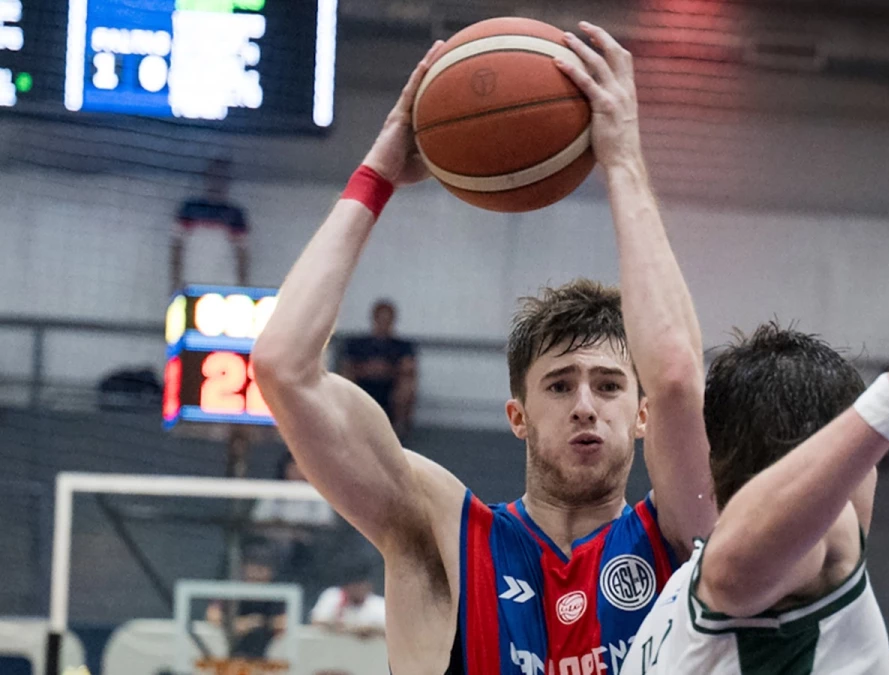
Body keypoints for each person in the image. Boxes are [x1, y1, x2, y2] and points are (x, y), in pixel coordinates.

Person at [252, 22, 717, 675]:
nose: (586, 404)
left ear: (643, 414)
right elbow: (282, 367)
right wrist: (378, 170)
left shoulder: (684, 539)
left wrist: (623, 159)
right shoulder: (442, 535)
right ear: (517, 414)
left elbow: (674, 371)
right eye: (559, 384)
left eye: (609, 384)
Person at [623, 264, 889, 674]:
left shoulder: (675, 598)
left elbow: (674, 375)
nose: (869, 468)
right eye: (861, 455)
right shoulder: (777, 565)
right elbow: (674, 377)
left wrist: (630, 195)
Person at [250, 453, 337, 582]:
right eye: (293, 467)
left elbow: (324, 523)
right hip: (275, 544)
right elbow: (258, 521)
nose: (297, 471)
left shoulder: (317, 492)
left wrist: (299, 531)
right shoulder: (273, 491)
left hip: (308, 546)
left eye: (300, 466)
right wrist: (283, 528)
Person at [340, 299, 418, 439]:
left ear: (393, 320)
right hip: (362, 384)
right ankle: (346, 426)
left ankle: (398, 431)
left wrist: (386, 370)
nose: (384, 323)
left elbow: (408, 368)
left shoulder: (403, 345)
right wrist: (367, 369)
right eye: (381, 319)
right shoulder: (356, 343)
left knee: (407, 384)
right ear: (374, 318)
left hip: (390, 386)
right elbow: (347, 366)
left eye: (387, 319)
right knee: (345, 379)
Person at [171, 157, 250, 291]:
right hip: (192, 281)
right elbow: (177, 247)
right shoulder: (189, 209)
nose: (217, 182)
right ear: (206, 178)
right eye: (213, 176)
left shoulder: (235, 214)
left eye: (221, 178)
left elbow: (242, 254)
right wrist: (175, 282)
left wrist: (242, 288)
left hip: (224, 284)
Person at [206, 555, 287, 658]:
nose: (256, 577)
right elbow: (212, 614)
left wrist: (259, 623)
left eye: (261, 576)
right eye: (252, 575)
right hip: (232, 651)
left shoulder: (276, 592)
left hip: (264, 655)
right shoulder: (229, 588)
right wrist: (234, 624)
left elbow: (283, 622)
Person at [310, 564, 387, 639]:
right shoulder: (334, 596)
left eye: (361, 585)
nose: (358, 589)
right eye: (354, 585)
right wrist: (349, 628)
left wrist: (370, 630)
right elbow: (316, 620)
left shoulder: (378, 604)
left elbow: (388, 629)